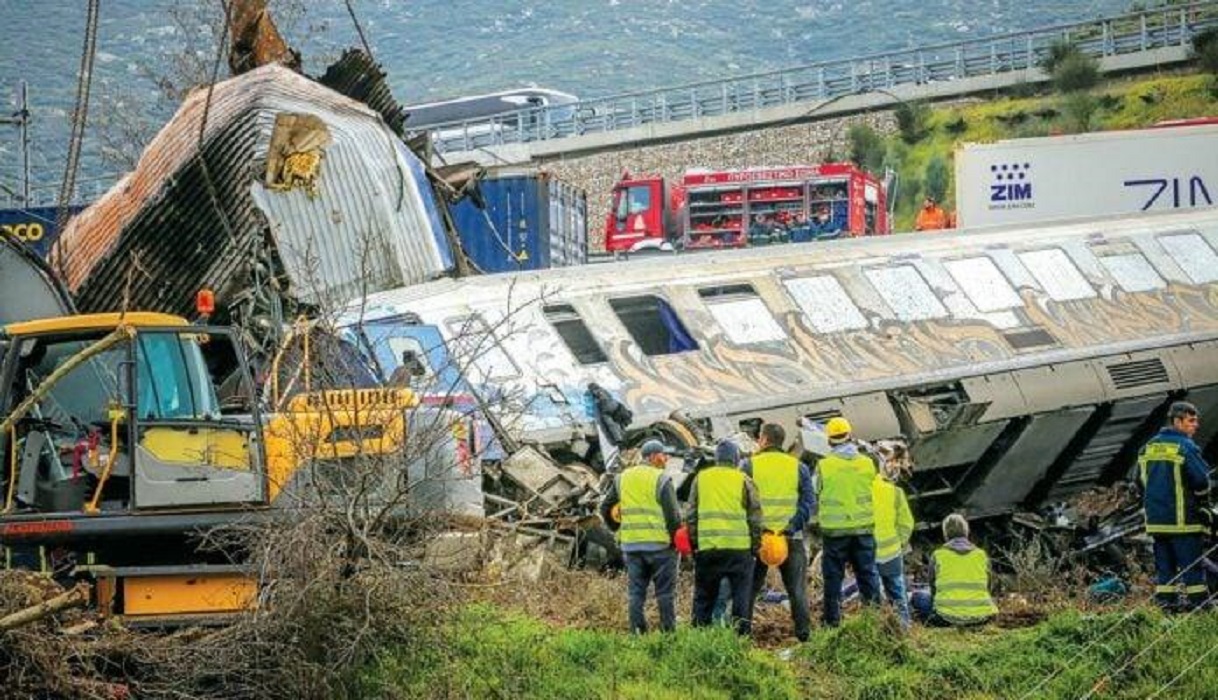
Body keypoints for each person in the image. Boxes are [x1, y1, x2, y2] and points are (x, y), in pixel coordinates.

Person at [600, 440, 683, 633]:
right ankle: (668, 634)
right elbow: (673, 516)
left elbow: (605, 508)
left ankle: (637, 632)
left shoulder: (622, 478)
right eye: (664, 454)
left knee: (636, 593)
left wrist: (616, 527)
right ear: (653, 457)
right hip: (661, 548)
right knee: (665, 593)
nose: (666, 458)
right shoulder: (661, 479)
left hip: (631, 547)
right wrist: (675, 541)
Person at [1138, 401, 1212, 612]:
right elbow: (1201, 481)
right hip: (1183, 522)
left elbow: (1139, 482)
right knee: (1191, 568)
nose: (1195, 425)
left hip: (1157, 522)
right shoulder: (1186, 447)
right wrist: (1203, 504)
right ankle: (1200, 608)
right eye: (1191, 421)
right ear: (1177, 421)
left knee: (1165, 569)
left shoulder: (1148, 447)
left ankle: (1166, 606)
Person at [744, 423, 814, 642]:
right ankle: (804, 636)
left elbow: (742, 502)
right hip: (789, 537)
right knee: (797, 591)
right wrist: (791, 526)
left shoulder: (749, 465)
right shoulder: (797, 466)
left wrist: (756, 530)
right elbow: (808, 502)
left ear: (764, 440)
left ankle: (741, 635)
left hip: (759, 538)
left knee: (749, 590)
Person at [687, 439, 763, 635]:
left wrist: (695, 545)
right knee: (741, 599)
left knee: (703, 598)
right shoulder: (744, 480)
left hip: (708, 549)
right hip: (739, 551)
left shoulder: (700, 479)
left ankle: (698, 640)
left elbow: (691, 516)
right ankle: (740, 640)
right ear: (736, 459)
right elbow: (755, 517)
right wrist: (755, 547)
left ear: (717, 459)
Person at [815, 416, 883, 627]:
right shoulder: (867, 463)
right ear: (850, 436)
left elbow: (815, 490)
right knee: (868, 574)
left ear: (829, 441)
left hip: (835, 533)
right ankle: (875, 620)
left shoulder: (824, 466)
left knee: (833, 579)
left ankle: (833, 621)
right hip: (863, 530)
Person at [910, 514, 998, 627]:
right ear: (966, 531)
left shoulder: (938, 555)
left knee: (917, 596)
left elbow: (933, 590)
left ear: (945, 534)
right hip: (981, 617)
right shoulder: (982, 555)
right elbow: (987, 587)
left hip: (945, 618)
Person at [872, 449, 914, 629]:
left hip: (868, 554)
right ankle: (904, 629)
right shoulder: (895, 492)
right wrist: (900, 543)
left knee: (873, 598)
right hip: (892, 553)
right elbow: (906, 523)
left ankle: (875, 631)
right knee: (898, 594)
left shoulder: (857, 494)